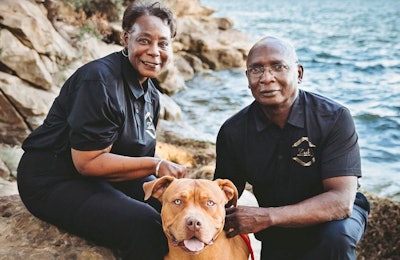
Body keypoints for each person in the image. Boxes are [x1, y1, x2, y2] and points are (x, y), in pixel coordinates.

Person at [17, 2, 187, 259]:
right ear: (126, 38)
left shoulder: (151, 94)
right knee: (146, 225)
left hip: (104, 178)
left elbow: (133, 160)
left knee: (179, 211)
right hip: (54, 179)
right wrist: (156, 165)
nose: (154, 51)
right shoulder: (99, 81)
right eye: (144, 40)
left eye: (163, 44)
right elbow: (87, 163)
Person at [213, 36, 370, 260]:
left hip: (332, 220)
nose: (267, 78)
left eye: (278, 67)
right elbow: (223, 198)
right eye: (256, 69)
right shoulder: (233, 131)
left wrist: (266, 217)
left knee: (336, 239)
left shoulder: (334, 118)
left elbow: (341, 202)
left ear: (298, 73)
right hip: (277, 229)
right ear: (247, 78)